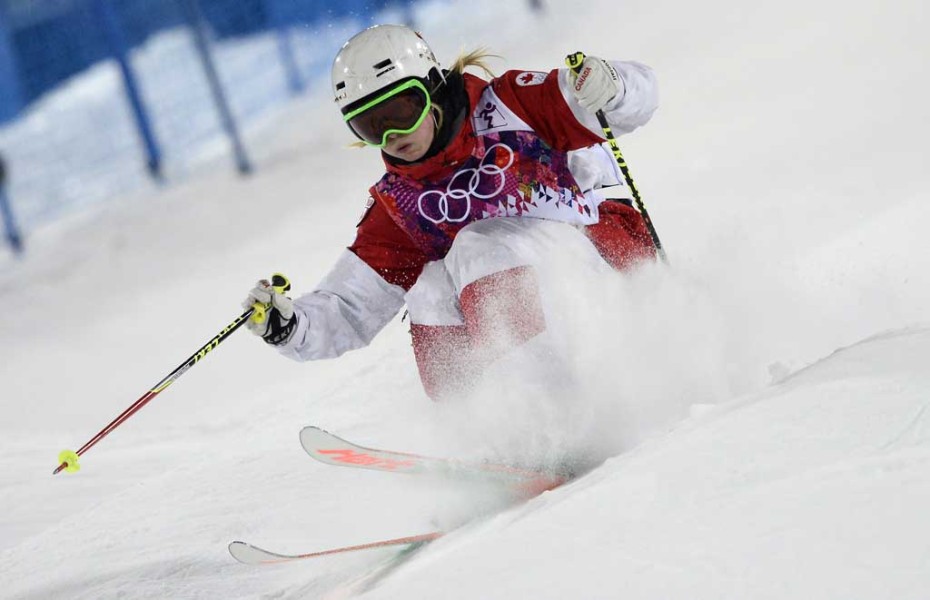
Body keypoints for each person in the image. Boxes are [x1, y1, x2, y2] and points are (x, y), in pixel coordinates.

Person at [244, 24, 659, 400]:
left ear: (432, 88)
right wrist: (291, 327)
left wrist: (613, 87)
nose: (393, 136)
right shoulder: (400, 205)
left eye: (402, 111)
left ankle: (551, 408)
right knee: (429, 287)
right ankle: (484, 427)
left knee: (476, 246)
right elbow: (350, 306)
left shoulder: (512, 108)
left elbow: (627, 99)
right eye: (371, 126)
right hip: (544, 318)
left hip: (608, 280)